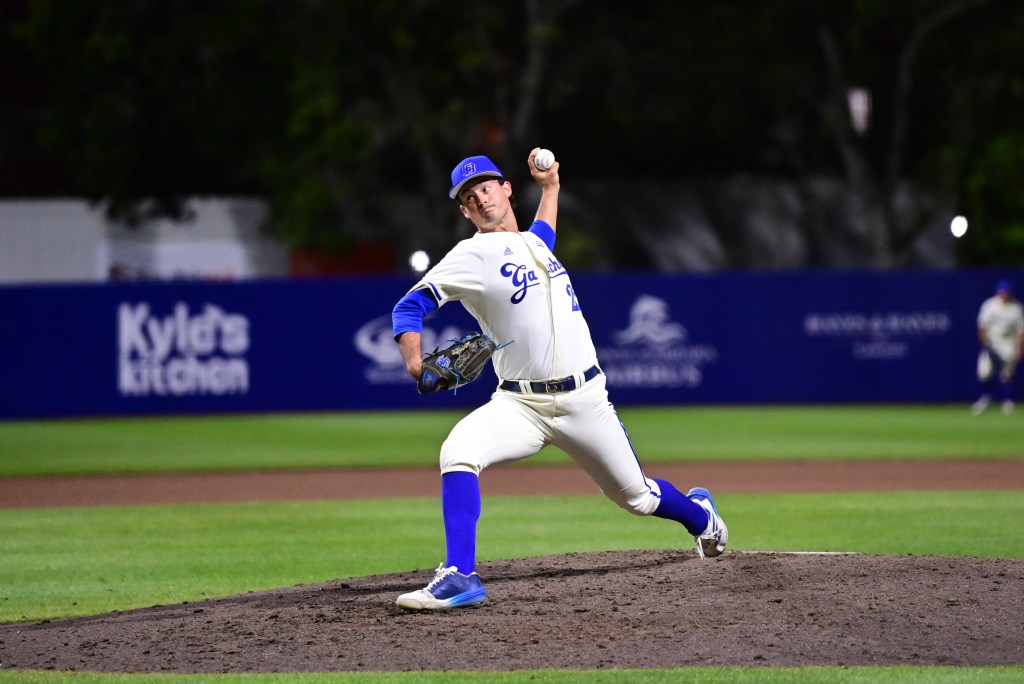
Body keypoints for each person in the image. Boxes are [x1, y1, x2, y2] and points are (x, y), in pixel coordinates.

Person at [389, 149, 728, 611]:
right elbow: (409, 307)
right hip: (519, 406)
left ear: (506, 190)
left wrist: (550, 188)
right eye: (470, 196)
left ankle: (701, 517)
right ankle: (460, 575)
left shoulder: (534, 244)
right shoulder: (472, 253)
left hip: (585, 400)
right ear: (465, 210)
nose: (481, 198)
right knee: (458, 451)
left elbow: (543, 231)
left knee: (638, 497)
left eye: (487, 187)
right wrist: (414, 362)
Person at [972, 279, 1024, 415]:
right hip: (992, 342)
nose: (1004, 294)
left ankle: (1007, 401)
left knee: (1006, 373)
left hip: (1008, 342)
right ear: (998, 292)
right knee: (984, 372)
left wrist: (1020, 348)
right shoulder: (990, 305)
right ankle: (985, 398)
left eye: (1006, 292)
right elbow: (982, 326)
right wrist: (985, 343)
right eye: (1002, 291)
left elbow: (1021, 331)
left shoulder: (1016, 308)